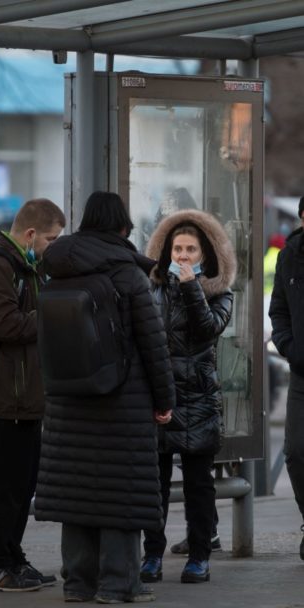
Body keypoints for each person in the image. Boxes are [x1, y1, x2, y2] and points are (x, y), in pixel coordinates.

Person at [34, 191, 175, 604]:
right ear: (123, 226)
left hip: (67, 401)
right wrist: (165, 400)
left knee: (77, 493)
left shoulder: (56, 269)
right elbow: (153, 344)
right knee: (122, 495)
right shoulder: (126, 274)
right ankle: (119, 584)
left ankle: (78, 583)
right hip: (122, 401)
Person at [0, 198, 65, 592]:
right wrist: (55, 315)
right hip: (4, 394)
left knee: (22, 483)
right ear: (31, 234)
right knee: (3, 484)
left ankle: (13, 556)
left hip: (25, 394)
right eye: (52, 239)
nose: (54, 245)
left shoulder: (28, 265)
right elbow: (5, 325)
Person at [140, 210, 235, 584]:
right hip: (162, 398)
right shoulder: (154, 290)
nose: (182, 256)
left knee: (198, 485)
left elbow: (209, 329)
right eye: (177, 249)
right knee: (155, 484)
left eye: (190, 250)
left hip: (198, 399)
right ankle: (152, 556)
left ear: (203, 255)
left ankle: (199, 555)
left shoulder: (220, 293)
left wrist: (191, 286)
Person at [268, 194, 304, 561]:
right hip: (302, 372)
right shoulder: (289, 255)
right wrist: (289, 346)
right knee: (296, 453)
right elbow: (278, 308)